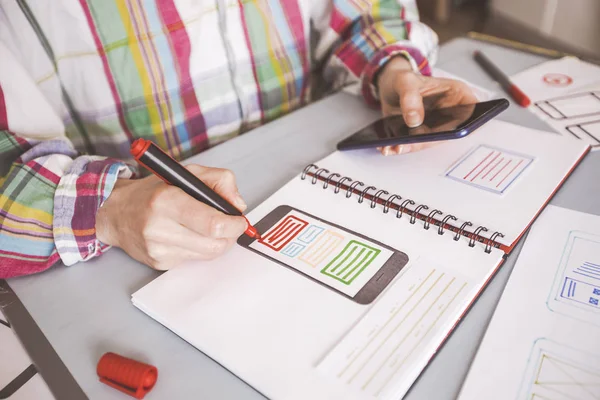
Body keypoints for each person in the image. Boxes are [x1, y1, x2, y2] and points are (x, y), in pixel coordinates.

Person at [0, 1, 476, 278]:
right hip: (132, 261)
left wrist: (392, 67)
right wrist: (110, 209)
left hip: (312, 164)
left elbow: (363, 13)